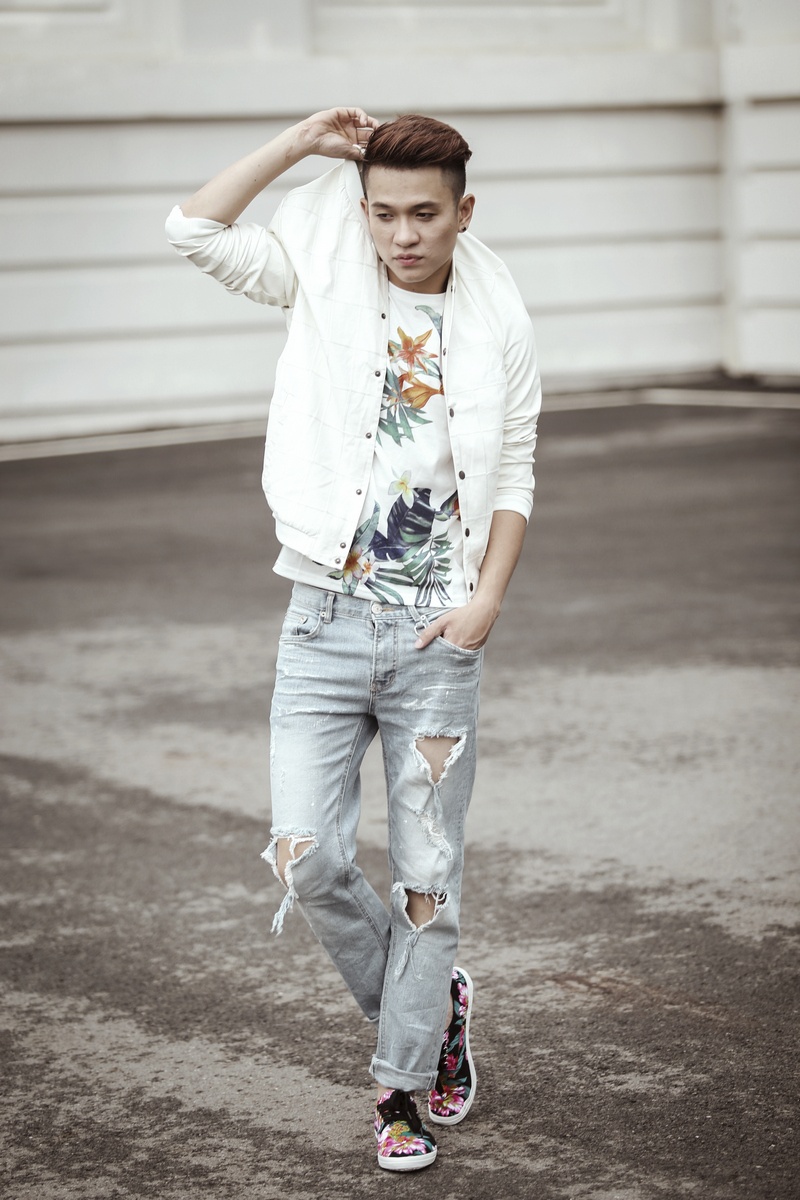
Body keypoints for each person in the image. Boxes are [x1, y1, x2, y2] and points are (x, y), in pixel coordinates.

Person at [166, 107, 541, 1172]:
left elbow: (514, 468)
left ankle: (400, 1091)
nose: (402, 236)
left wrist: (486, 602)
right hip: (321, 620)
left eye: (425, 214)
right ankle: (433, 1009)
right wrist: (295, 146)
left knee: (426, 882)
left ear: (464, 211)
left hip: (436, 633)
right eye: (382, 214)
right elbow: (194, 231)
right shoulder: (323, 275)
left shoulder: (500, 317)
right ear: (362, 211)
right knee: (307, 856)